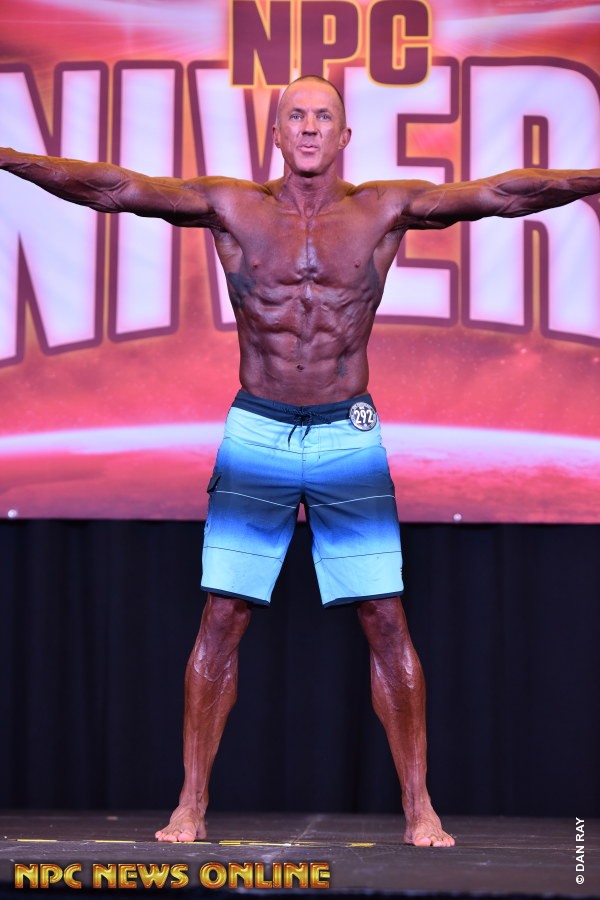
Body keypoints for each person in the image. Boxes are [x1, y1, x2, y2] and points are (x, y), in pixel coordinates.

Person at [1, 74, 598, 848]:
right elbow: (113, 189)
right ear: (277, 134)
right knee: (223, 614)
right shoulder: (231, 206)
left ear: (344, 137)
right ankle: (190, 803)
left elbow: (505, 194)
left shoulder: (382, 209)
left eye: (323, 117)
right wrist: (8, 156)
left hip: (348, 428)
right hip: (259, 427)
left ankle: (420, 805)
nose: (310, 127)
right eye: (297, 116)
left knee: (384, 616)